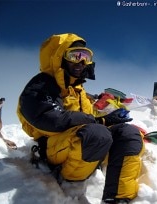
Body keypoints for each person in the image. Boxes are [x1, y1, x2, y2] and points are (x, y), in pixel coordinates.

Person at [17, 33, 144, 203]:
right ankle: (70, 180)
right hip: (53, 149)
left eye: (85, 56)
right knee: (97, 134)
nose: (81, 61)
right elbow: (50, 119)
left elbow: (87, 116)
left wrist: (106, 119)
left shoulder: (78, 89)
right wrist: (97, 122)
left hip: (79, 143)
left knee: (128, 133)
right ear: (59, 57)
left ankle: (118, 198)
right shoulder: (42, 85)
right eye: (74, 55)